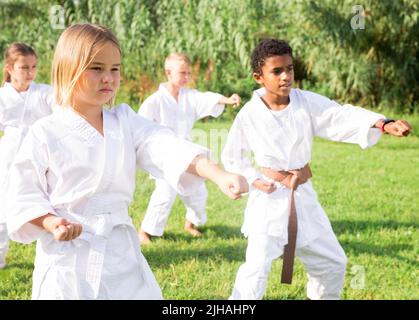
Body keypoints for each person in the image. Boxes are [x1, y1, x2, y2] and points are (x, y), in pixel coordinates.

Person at [5, 23, 248, 300]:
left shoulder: (124, 121)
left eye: (115, 69)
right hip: (68, 259)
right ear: (68, 68)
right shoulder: (45, 132)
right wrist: (50, 222)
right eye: (96, 68)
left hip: (120, 252)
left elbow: (165, 145)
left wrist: (217, 174)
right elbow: (23, 193)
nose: (108, 78)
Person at [221, 38, 412, 300]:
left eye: (289, 68)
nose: (285, 76)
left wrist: (381, 123)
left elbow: (339, 115)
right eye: (276, 71)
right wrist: (254, 179)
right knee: (255, 271)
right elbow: (232, 156)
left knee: (333, 263)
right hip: (268, 199)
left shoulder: (304, 102)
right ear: (258, 77)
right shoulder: (250, 113)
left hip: (303, 195)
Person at [137, 53, 241, 244]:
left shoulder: (189, 96)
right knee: (165, 194)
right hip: (164, 156)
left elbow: (206, 99)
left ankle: (191, 223)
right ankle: (145, 231)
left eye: (189, 73)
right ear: (168, 72)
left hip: (187, 154)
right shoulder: (154, 101)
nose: (187, 77)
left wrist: (227, 100)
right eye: (182, 73)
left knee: (198, 193)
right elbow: (139, 128)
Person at [0, 43, 55, 269]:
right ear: (10, 68)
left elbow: (62, 110)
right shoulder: (2, 96)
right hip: (9, 157)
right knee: (3, 204)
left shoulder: (44, 92)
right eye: (24, 67)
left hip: (41, 155)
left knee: (48, 201)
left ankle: (54, 250)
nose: (30, 72)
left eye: (34, 67)